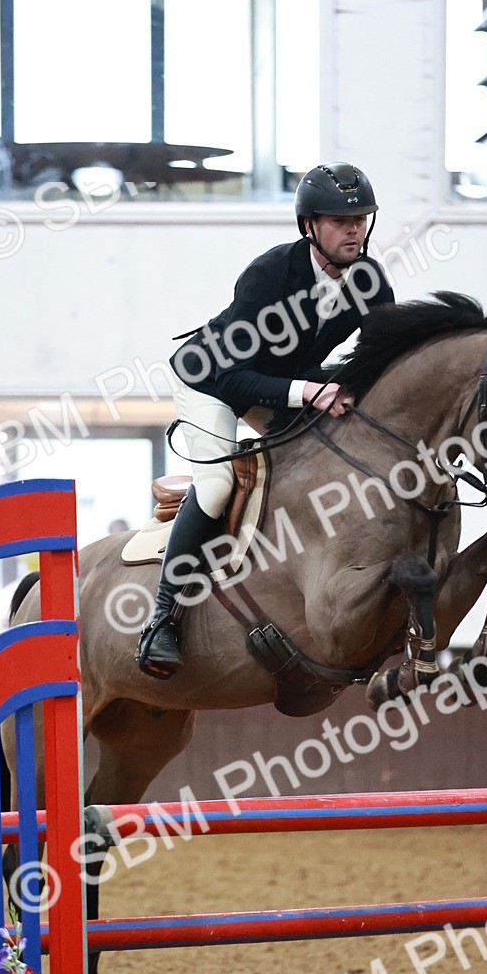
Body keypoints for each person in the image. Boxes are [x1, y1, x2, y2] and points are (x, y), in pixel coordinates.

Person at [136, 161, 395, 679]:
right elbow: (234, 379)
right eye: (341, 220)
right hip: (212, 380)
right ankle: (162, 618)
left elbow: (384, 356)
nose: (355, 230)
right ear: (309, 226)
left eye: (361, 219)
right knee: (216, 485)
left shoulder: (369, 279)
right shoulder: (269, 274)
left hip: (284, 381)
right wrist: (312, 391)